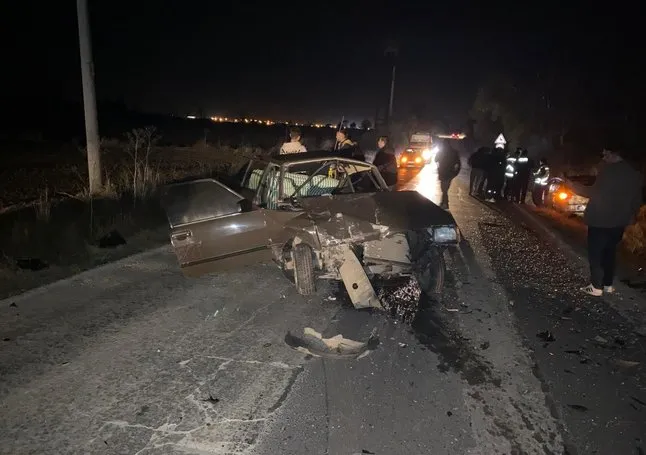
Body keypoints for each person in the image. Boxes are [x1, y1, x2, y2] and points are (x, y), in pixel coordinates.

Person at [567, 146, 643, 296]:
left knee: (596, 253)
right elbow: (637, 201)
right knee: (610, 252)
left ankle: (596, 286)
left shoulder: (608, 171)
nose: (603, 157)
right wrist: (630, 215)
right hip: (619, 222)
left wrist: (572, 185)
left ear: (613, 154)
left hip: (601, 220)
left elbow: (592, 192)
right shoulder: (634, 174)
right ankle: (607, 284)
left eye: (605, 154)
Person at [435, 141, 462, 210]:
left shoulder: (441, 152)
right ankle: (444, 202)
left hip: (444, 173)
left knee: (444, 189)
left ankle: (445, 203)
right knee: (445, 189)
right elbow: (458, 163)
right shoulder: (454, 152)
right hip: (449, 173)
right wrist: (455, 173)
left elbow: (436, 159)